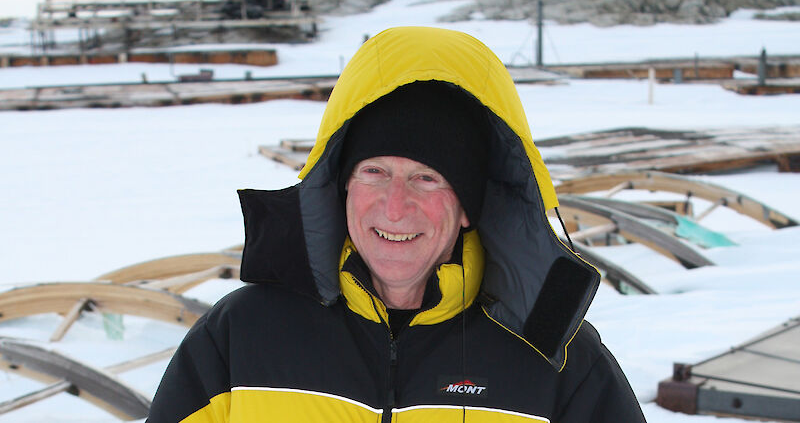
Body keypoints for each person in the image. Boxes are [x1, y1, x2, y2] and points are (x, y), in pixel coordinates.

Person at [148, 26, 646, 422]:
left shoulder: (554, 360)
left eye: (426, 178)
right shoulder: (241, 335)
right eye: (374, 172)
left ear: (469, 206)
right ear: (341, 185)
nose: (393, 207)